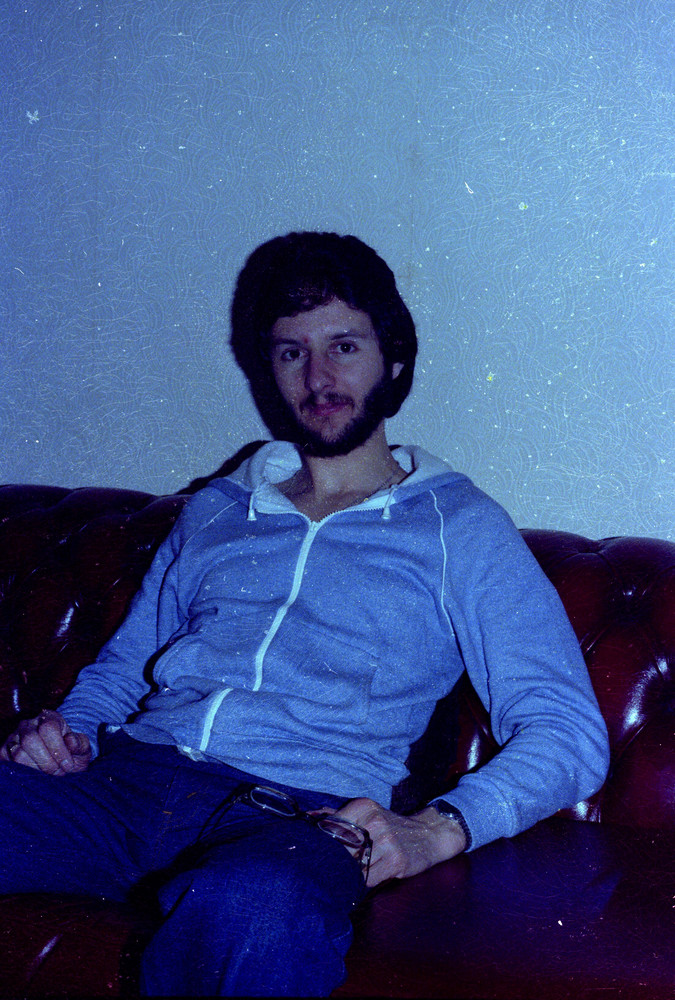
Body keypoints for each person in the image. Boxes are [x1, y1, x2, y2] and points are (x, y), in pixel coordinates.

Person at [0, 232, 610, 996]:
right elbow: (125, 669)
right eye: (292, 353)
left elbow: (566, 730)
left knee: (253, 906)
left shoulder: (459, 527)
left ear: (393, 359)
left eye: (343, 346)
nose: (318, 377)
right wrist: (69, 733)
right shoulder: (218, 509)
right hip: (121, 787)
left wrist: (436, 829)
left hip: (287, 819)